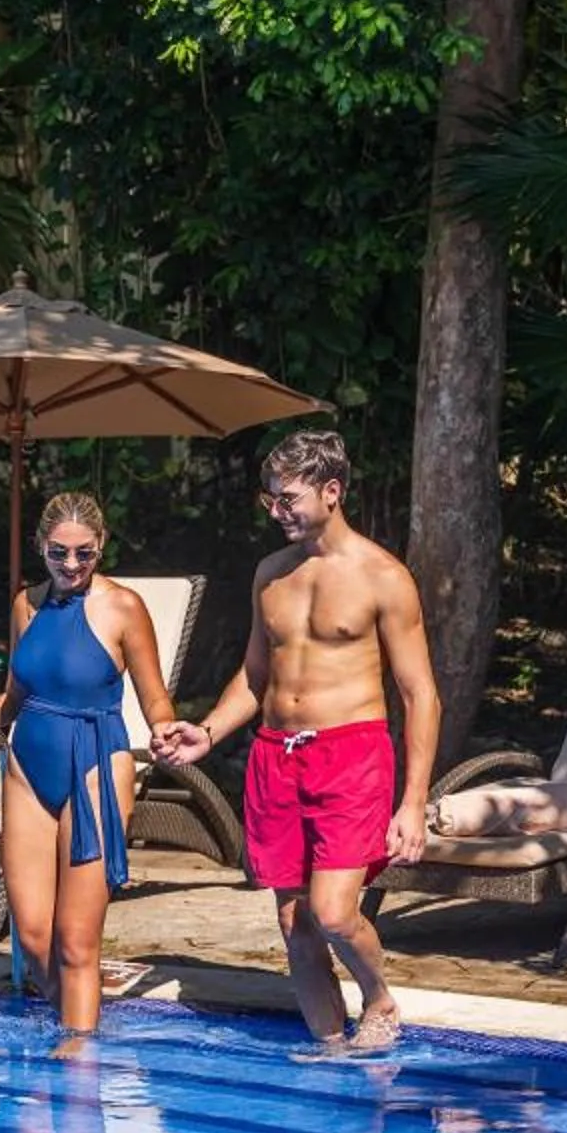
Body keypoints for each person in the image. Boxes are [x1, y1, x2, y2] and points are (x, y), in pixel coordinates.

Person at [153, 431, 437, 1052]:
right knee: (294, 921)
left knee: (333, 912)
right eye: (270, 500)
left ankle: (380, 997)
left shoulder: (384, 577)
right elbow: (257, 675)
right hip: (275, 758)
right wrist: (207, 732)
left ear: (332, 492)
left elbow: (420, 696)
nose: (276, 511)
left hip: (351, 755)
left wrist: (413, 801)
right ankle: (329, 1053)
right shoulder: (271, 574)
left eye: (289, 498)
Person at [0, 491, 178, 1037]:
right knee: (33, 939)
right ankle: (79, 1037)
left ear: (101, 545)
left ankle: (76, 1065)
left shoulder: (123, 607)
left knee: (76, 941)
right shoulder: (24, 606)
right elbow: (12, 701)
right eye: (60, 553)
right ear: (41, 547)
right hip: (27, 767)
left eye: (84, 553)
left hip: (96, 767)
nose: (72, 565)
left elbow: (154, 698)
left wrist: (168, 729)